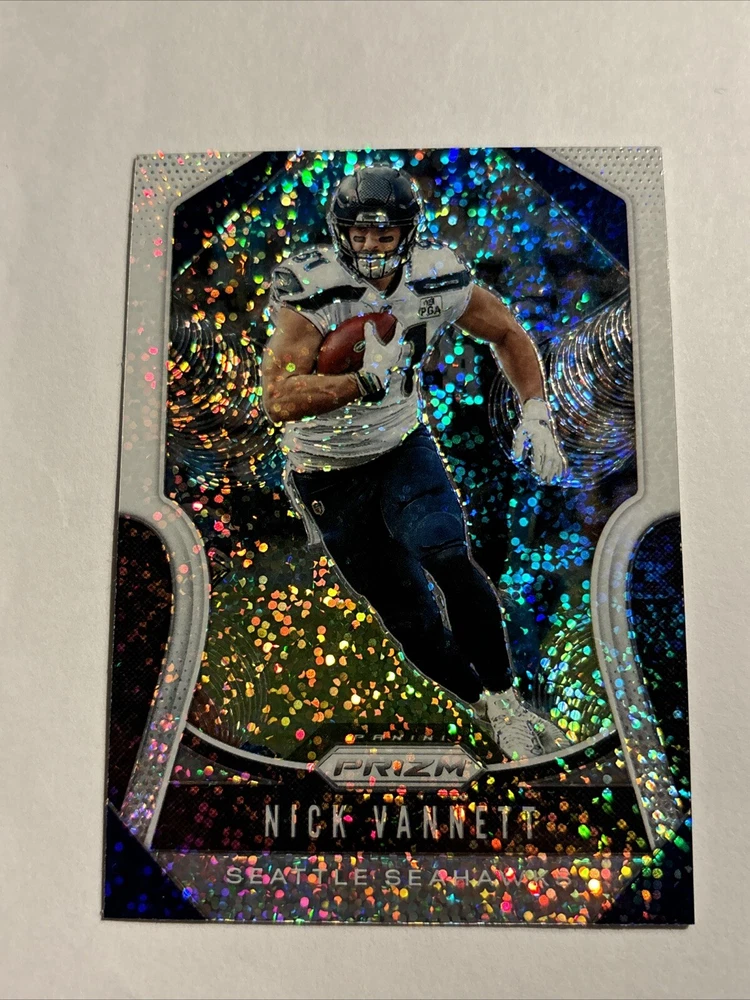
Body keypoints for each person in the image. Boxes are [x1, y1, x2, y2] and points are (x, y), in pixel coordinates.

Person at [261, 164, 567, 760]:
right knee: (409, 616)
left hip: (401, 446)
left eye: (384, 235)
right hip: (326, 471)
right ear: (340, 233)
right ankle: (484, 707)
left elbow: (506, 331)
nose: (372, 247)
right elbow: (279, 398)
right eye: (360, 235)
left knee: (446, 552)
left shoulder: (434, 275)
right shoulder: (312, 290)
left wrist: (536, 410)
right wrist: (360, 382)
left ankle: (508, 703)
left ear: (408, 232)